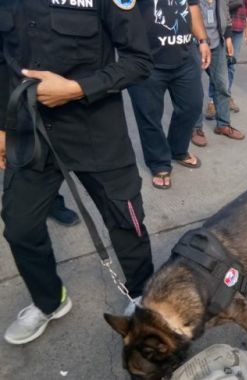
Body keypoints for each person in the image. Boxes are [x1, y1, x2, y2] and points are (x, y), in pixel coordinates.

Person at [0, 0, 155, 345]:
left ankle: (144, 300)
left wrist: (77, 89)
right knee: (20, 227)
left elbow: (139, 61)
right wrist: (2, 125)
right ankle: (49, 300)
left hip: (96, 129)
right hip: (31, 130)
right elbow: (3, 59)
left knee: (125, 223)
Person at [128, 0, 212, 190]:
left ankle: (178, 148)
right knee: (149, 116)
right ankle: (158, 162)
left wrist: (203, 41)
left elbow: (192, 7)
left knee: (192, 106)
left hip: (184, 57)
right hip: (145, 61)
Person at [199, 0, 247, 141]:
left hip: (218, 42)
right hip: (196, 44)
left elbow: (225, 13)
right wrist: (201, 41)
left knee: (222, 84)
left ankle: (223, 124)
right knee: (194, 89)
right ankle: (195, 129)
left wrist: (228, 37)